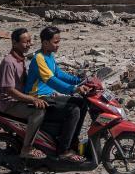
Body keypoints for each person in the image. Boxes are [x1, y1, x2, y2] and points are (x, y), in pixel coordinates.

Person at [24, 26, 88, 162]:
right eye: (56, 42)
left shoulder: (49, 56)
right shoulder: (39, 58)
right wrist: (73, 89)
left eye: (59, 41)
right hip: (38, 97)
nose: (58, 45)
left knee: (82, 103)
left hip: (48, 95)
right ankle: (63, 151)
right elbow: (51, 80)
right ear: (45, 43)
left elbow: (59, 74)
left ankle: (72, 141)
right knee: (73, 110)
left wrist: (80, 80)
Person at [0, 28, 47, 160]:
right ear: (14, 43)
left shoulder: (20, 59)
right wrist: (31, 99)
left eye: (30, 41)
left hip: (18, 99)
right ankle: (27, 148)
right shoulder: (9, 62)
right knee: (38, 112)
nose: (29, 44)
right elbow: (10, 91)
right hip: (9, 103)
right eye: (26, 42)